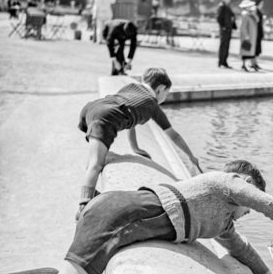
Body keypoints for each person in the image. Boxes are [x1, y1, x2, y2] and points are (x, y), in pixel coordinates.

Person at [0, 161, 273, 274]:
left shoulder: (222, 221)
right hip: (121, 216)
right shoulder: (228, 183)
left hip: (121, 213)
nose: (250, 210)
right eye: (252, 199)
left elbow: (242, 250)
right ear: (248, 182)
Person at [77, 67, 200, 217]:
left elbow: (129, 118)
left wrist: (135, 147)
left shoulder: (131, 87)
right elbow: (173, 135)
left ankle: (89, 190)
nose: (165, 98)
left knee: (95, 158)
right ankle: (83, 208)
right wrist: (191, 156)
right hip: (107, 116)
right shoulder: (153, 105)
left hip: (92, 108)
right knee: (95, 164)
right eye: (166, 94)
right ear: (161, 89)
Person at [216, 0, 237, 68]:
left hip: (228, 29)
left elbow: (231, 16)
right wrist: (223, 26)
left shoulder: (227, 6)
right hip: (224, 29)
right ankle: (221, 62)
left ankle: (224, 62)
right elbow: (218, 18)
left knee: (227, 46)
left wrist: (233, 25)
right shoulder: (222, 6)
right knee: (223, 46)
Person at [238, 0, 258, 71]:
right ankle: (243, 65)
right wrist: (246, 35)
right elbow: (243, 27)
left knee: (249, 51)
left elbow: (257, 20)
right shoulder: (245, 15)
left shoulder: (251, 14)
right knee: (245, 50)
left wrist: (254, 13)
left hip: (252, 36)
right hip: (247, 36)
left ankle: (251, 64)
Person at [252, 0, 264, 70]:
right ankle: (253, 63)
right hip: (256, 31)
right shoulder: (255, 10)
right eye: (262, 3)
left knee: (257, 48)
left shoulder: (258, 10)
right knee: (255, 48)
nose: (262, 5)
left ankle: (255, 63)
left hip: (259, 30)